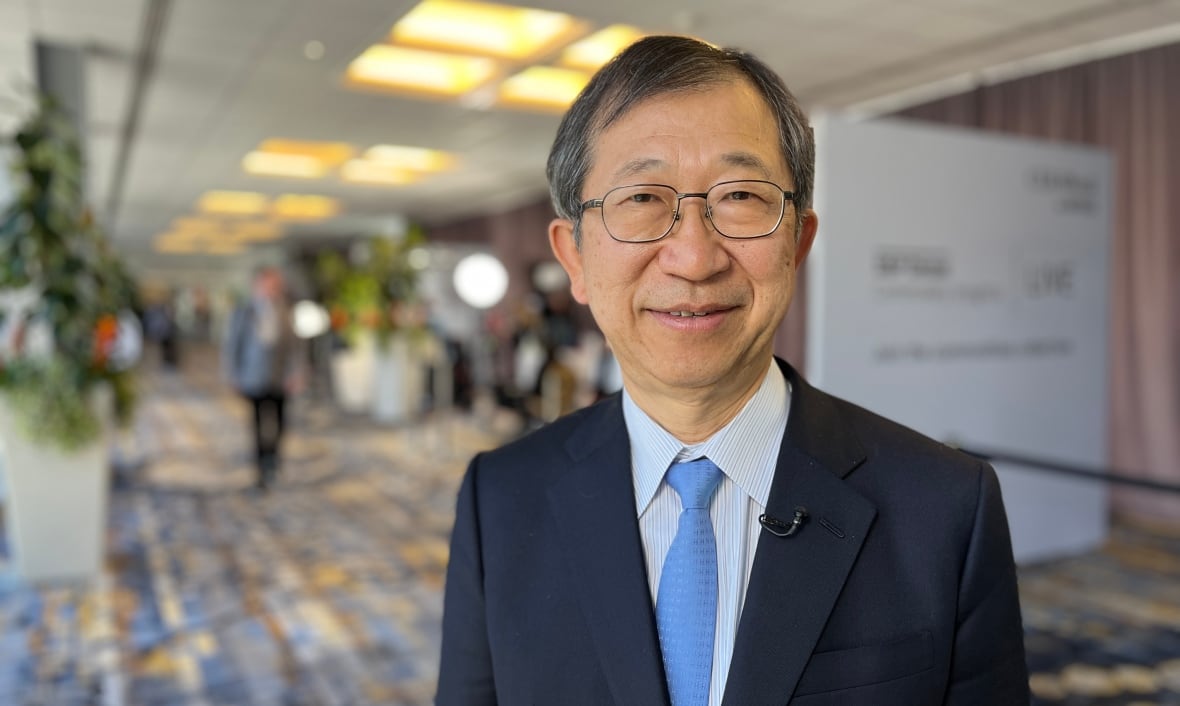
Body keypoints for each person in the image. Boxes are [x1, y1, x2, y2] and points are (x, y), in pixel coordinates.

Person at [437, 36, 1029, 706]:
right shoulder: (500, 499)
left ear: (798, 243)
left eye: (741, 195)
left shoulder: (945, 505)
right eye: (641, 200)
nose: (693, 256)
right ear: (573, 257)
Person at [223, 266, 303, 490]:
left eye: (274, 284)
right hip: (253, 377)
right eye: (266, 284)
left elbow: (296, 347)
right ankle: (260, 468)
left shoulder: (287, 310)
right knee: (258, 423)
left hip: (280, 378)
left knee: (280, 422)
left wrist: (297, 373)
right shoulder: (244, 311)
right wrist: (233, 375)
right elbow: (233, 346)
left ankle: (273, 460)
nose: (271, 289)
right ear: (257, 286)